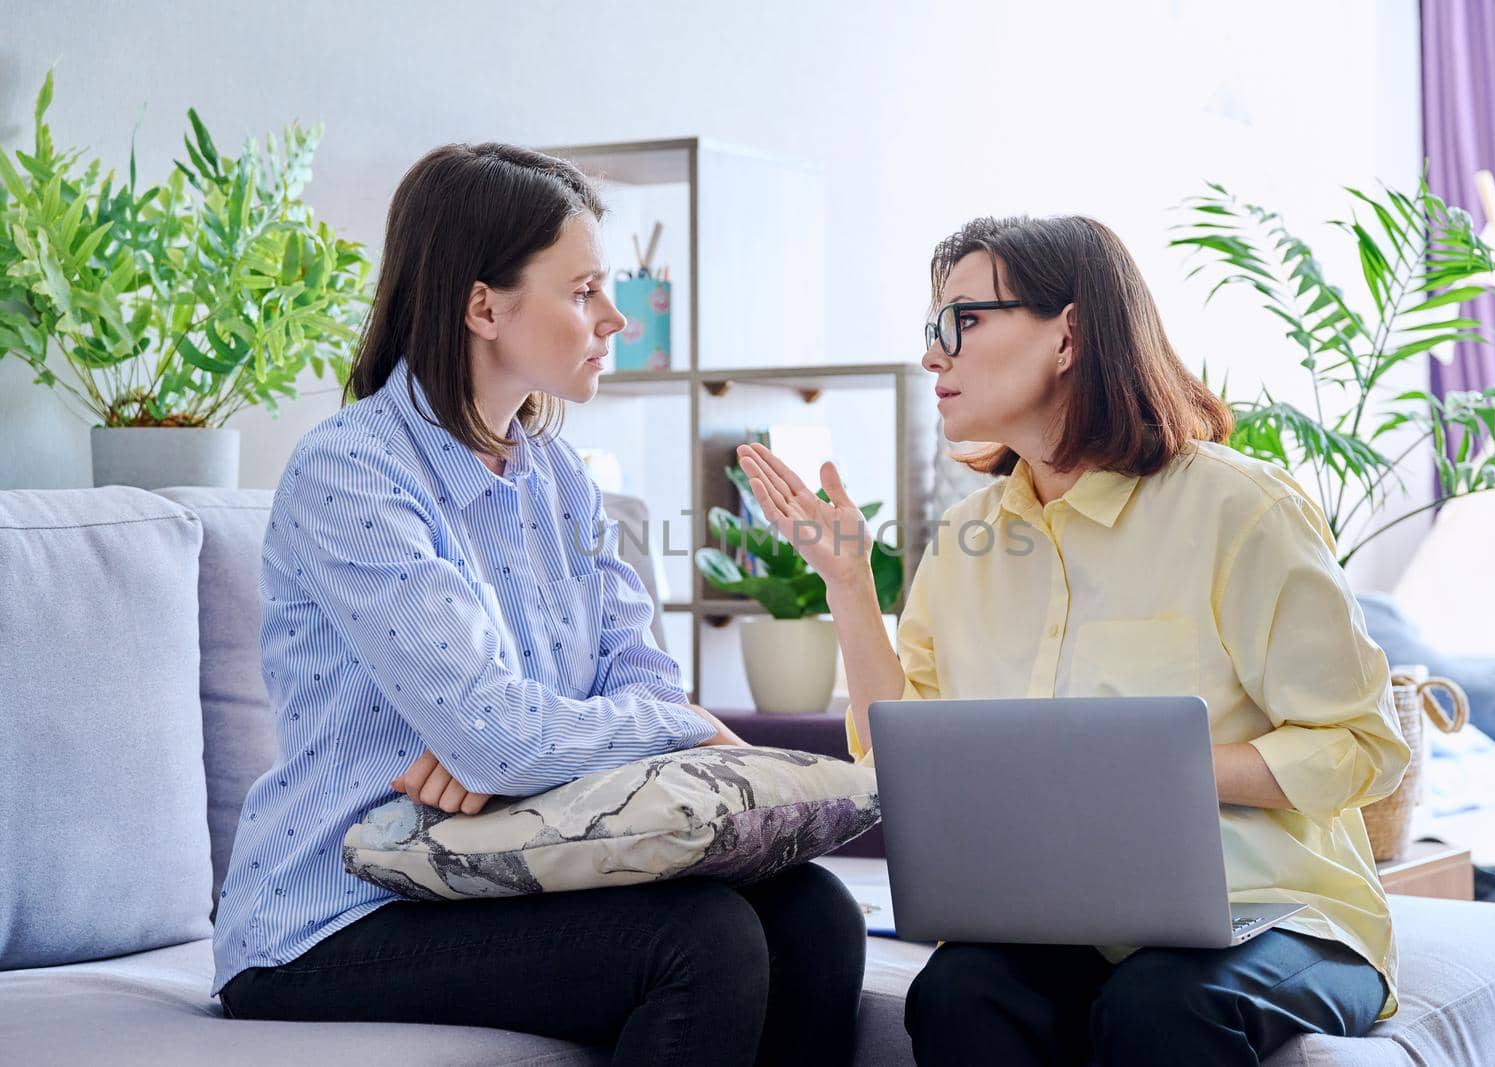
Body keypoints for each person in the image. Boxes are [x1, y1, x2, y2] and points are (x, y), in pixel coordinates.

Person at [211, 142, 865, 1067]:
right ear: (484, 305)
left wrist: (528, 746)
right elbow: (507, 736)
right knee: (702, 941)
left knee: (818, 916)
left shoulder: (560, 479)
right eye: (586, 290)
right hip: (336, 914)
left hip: (502, 870)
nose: (614, 318)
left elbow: (625, 683)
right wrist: (637, 732)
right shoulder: (351, 473)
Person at [736, 214, 1411, 1065]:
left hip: (1278, 911)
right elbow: (902, 756)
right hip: (1063, 920)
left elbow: (1363, 743)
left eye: (963, 320)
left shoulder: (1241, 510)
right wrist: (847, 586)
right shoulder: (966, 539)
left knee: (1164, 1005)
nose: (933, 355)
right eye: (931, 328)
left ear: (1068, 333)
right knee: (958, 991)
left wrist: (1152, 771)